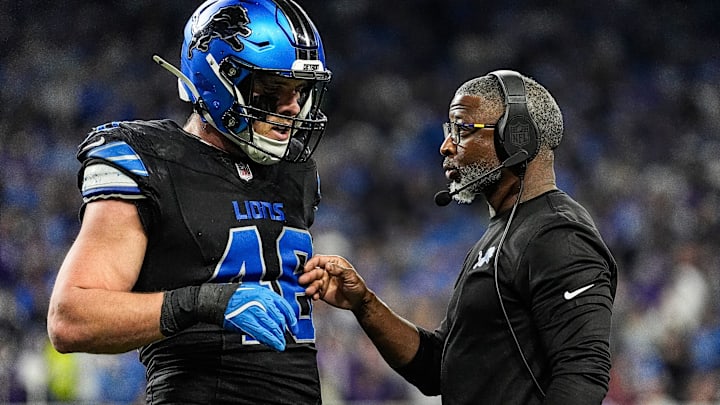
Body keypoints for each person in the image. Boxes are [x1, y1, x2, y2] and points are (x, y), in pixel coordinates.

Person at [47, 0, 331, 403]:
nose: (292, 108)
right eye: (271, 91)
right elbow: (70, 319)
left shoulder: (297, 171)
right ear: (217, 81)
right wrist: (204, 302)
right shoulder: (150, 159)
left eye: (299, 91)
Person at [301, 70, 618, 404]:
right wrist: (363, 303)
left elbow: (583, 374)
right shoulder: (504, 233)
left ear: (516, 137)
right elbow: (436, 367)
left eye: (462, 130)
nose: (446, 145)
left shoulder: (557, 234)